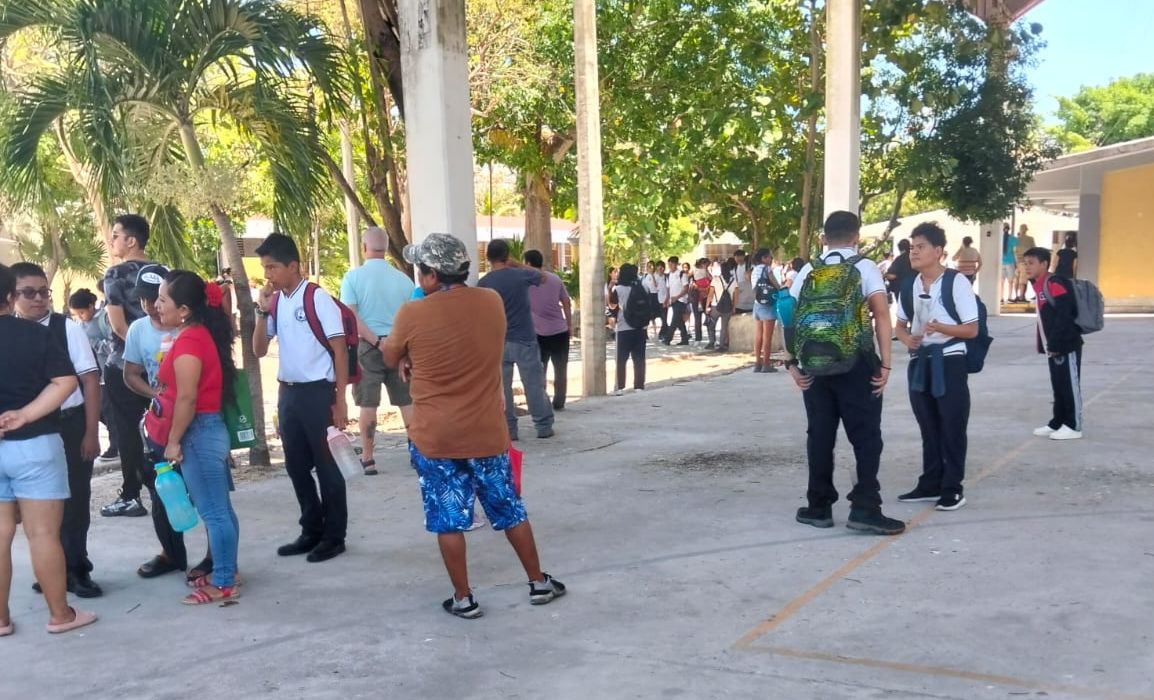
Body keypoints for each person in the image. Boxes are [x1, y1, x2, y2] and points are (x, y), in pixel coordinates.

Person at [382, 233, 565, 619]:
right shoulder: (490, 301)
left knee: (448, 521)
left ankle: (464, 598)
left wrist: (407, 357)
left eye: (421, 271)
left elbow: (390, 355)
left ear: (432, 275)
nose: (419, 277)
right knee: (510, 510)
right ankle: (538, 582)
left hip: (436, 438)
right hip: (487, 434)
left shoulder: (412, 314)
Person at [785, 211, 904, 535]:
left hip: (814, 367)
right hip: (857, 364)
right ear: (856, 237)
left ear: (824, 238)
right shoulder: (865, 268)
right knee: (866, 437)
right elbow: (881, 315)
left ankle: (818, 507)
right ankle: (865, 508)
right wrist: (886, 364)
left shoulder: (808, 270)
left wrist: (792, 363)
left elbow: (789, 317)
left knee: (820, 436)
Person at [0, 263, 98, 635]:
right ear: (10, 296)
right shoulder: (36, 335)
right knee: (42, 534)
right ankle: (61, 615)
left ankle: (0, 619)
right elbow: (66, 381)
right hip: (36, 444)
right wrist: (25, 414)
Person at [253, 233, 350, 564]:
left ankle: (334, 536)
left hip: (317, 392)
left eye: (272, 267)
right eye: (265, 268)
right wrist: (261, 311)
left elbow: (340, 350)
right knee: (296, 466)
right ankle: (311, 529)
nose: (268, 275)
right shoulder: (277, 301)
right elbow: (258, 349)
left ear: (293, 266)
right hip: (289, 392)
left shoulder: (316, 298)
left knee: (327, 466)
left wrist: (340, 399)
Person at [152, 271, 242, 604]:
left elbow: (187, 398)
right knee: (221, 510)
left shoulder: (191, 341)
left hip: (198, 432)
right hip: (204, 430)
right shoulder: (193, 334)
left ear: (184, 309)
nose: (157, 305)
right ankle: (227, 570)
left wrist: (173, 440)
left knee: (215, 513)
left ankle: (224, 583)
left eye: (163, 299)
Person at [122, 270, 209, 582]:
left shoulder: (195, 329)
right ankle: (171, 553)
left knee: (207, 493)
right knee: (163, 491)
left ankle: (215, 558)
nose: (150, 305)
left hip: (198, 421)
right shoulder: (138, 330)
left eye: (156, 298)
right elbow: (130, 373)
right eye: (144, 299)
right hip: (161, 423)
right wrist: (155, 394)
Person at [894, 223, 979, 512]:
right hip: (920, 361)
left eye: (921, 247)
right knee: (928, 424)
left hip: (950, 360)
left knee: (952, 424)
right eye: (912, 247)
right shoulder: (910, 285)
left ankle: (952, 488)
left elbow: (971, 330)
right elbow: (900, 325)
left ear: (938, 251)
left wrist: (941, 327)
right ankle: (930, 482)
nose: (914, 252)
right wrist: (907, 339)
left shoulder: (956, 282)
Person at [339, 226, 415, 475]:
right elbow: (411, 318)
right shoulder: (403, 280)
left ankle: (369, 458)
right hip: (399, 346)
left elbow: (351, 316)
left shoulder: (352, 278)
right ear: (386, 247)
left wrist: (375, 341)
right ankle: (417, 454)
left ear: (364, 247)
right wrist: (395, 344)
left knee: (368, 404)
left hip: (366, 347)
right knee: (406, 401)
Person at [100, 214, 157, 517]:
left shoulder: (115, 274)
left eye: (116, 235)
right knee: (162, 424)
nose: (112, 241)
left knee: (127, 431)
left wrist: (137, 357)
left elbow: (119, 326)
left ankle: (131, 495)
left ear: (131, 240)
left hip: (124, 365)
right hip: (162, 364)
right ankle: (173, 487)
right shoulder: (164, 272)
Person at [478, 239, 555, 441]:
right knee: (533, 385)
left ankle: (509, 430)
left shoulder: (484, 283)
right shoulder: (520, 274)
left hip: (498, 342)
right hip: (524, 339)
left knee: (502, 389)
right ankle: (543, 426)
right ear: (507, 255)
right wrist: (517, 264)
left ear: (488, 257)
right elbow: (544, 277)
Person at [1023, 248, 1084, 440]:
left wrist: (1056, 342)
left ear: (1044, 264)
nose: (1027, 267)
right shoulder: (1039, 285)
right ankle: (1058, 422)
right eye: (1025, 263)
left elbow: (1065, 313)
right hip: (1053, 346)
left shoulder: (1054, 282)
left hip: (1065, 345)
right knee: (1059, 385)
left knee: (1069, 385)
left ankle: (1073, 425)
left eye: (1031, 263)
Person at [69, 287, 119, 465]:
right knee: (99, 411)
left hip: (107, 373)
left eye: (82, 312)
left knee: (109, 411)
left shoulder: (103, 320)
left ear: (91, 306)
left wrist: (93, 343)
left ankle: (115, 446)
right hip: (91, 376)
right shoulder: (79, 326)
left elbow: (114, 345)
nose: (80, 317)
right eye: (76, 315)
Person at [524, 249, 572, 411]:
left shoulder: (527, 282)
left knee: (539, 371)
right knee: (561, 370)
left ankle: (542, 403)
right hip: (560, 331)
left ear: (528, 263)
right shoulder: (555, 278)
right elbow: (566, 302)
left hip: (539, 334)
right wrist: (569, 325)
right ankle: (559, 402)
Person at [610, 264, 647, 395]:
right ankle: (639, 386)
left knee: (621, 359)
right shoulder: (642, 287)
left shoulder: (618, 289)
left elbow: (612, 305)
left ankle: (620, 387)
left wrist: (610, 287)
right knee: (639, 358)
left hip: (624, 328)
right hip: (641, 327)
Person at [750, 248, 781, 373]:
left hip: (757, 304)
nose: (771, 259)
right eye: (769, 257)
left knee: (758, 335)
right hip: (768, 305)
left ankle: (757, 363)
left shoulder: (754, 270)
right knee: (767, 336)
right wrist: (781, 288)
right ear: (763, 258)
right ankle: (766, 364)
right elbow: (776, 284)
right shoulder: (767, 269)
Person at [705, 259, 739, 351]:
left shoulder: (716, 279)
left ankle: (712, 342)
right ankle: (721, 345)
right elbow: (736, 295)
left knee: (711, 325)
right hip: (728, 307)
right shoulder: (733, 281)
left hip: (715, 306)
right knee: (724, 327)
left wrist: (707, 306)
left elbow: (710, 294)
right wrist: (734, 307)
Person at [662, 256, 690, 345]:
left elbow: (686, 288)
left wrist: (677, 297)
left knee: (674, 320)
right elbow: (668, 288)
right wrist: (667, 299)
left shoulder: (682, 274)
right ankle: (685, 339)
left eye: (672, 264)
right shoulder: (668, 275)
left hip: (681, 300)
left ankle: (668, 338)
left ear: (676, 264)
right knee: (679, 320)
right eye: (669, 264)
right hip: (673, 300)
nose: (670, 266)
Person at [885, 239, 913, 304]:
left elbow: (891, 275)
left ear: (899, 248)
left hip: (902, 290)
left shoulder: (899, 259)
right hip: (916, 289)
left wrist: (885, 275)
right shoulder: (915, 257)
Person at [1014, 224, 1036, 304]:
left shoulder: (1016, 239)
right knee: (1023, 280)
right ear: (1026, 230)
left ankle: (1017, 296)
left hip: (1017, 262)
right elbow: (1034, 249)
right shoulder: (1030, 239)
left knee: (1017, 279)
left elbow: (1014, 251)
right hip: (1025, 262)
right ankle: (1021, 297)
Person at [733, 249, 754, 315]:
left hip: (749, 292)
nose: (737, 259)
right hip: (740, 293)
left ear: (743, 257)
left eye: (739, 257)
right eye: (736, 257)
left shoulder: (750, 267)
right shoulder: (735, 268)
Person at [1001, 223, 1019, 303]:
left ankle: (1001, 297)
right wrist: (1017, 263)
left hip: (1001, 262)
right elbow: (1015, 252)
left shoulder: (999, 238)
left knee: (1001, 281)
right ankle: (1009, 297)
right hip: (1010, 262)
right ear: (1009, 229)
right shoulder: (1014, 239)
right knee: (1010, 281)